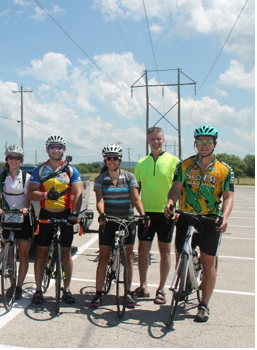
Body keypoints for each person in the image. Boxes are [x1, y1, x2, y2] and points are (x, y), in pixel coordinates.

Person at [164, 124, 234, 323]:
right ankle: (185, 283)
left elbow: (228, 196)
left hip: (210, 218)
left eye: (208, 142)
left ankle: (204, 305)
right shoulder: (184, 165)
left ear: (214, 144)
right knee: (180, 254)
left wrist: (226, 216)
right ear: (195, 143)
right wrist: (170, 202)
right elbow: (176, 187)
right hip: (186, 216)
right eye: (201, 141)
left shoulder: (224, 169)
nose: (204, 145)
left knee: (208, 262)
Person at [91, 144, 149, 309]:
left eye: (115, 158)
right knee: (103, 256)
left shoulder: (129, 177)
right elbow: (100, 199)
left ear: (119, 160)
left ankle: (128, 292)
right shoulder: (100, 179)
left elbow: (136, 199)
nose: (112, 161)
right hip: (108, 220)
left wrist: (143, 214)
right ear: (105, 159)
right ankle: (98, 293)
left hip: (127, 219)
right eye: (109, 158)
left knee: (128, 257)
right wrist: (102, 214)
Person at [28, 135, 83, 305]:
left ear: (64, 150)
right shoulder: (40, 170)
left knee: (66, 253)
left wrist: (75, 213)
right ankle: (38, 289)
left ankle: (66, 289)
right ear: (47, 150)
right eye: (52, 147)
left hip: (65, 214)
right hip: (46, 214)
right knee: (41, 252)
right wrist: (45, 194)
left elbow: (79, 192)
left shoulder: (71, 170)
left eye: (59, 147)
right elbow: (30, 193)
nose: (56, 150)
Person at [132, 127, 180, 304]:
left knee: (164, 252)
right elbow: (136, 190)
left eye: (159, 138)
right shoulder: (141, 163)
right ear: (147, 141)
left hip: (166, 212)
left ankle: (161, 289)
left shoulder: (174, 161)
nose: (156, 141)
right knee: (143, 250)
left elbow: (179, 187)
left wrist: (178, 208)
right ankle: (143, 286)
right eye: (152, 139)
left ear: (164, 140)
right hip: (146, 213)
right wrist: (139, 211)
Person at [0, 145, 33, 300]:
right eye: (10, 157)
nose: (13, 160)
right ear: (7, 159)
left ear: (21, 160)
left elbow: (28, 198)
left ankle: (19, 286)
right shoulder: (2, 176)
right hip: (8, 216)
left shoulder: (26, 177)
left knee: (23, 254)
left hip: (22, 218)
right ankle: (11, 283)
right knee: (10, 254)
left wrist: (26, 208)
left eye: (16, 158)